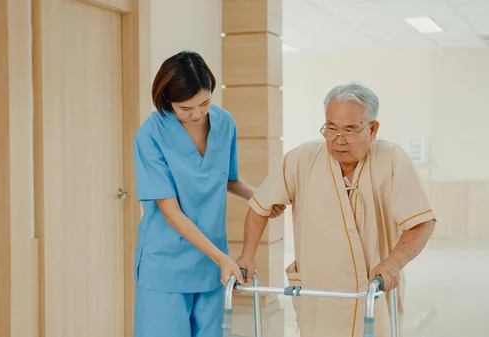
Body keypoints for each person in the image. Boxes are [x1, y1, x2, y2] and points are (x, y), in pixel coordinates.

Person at [235, 82, 436, 337]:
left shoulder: (392, 160)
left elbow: (422, 222)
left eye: (350, 130)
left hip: (373, 292)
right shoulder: (301, 160)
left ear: (372, 129)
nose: (338, 140)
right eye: (331, 128)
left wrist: (394, 263)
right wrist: (247, 255)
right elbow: (260, 206)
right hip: (320, 296)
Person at [132, 50, 285, 337]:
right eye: (185, 108)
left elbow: (227, 179)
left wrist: (259, 197)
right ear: (167, 101)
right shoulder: (150, 136)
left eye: (204, 102)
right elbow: (170, 210)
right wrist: (222, 259)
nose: (197, 113)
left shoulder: (224, 123)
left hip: (211, 262)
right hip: (167, 263)